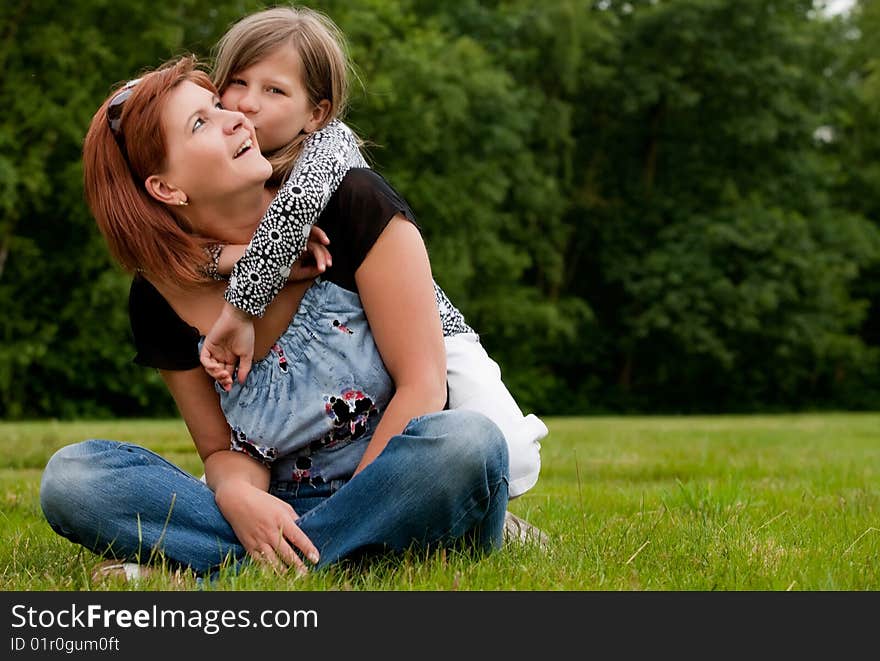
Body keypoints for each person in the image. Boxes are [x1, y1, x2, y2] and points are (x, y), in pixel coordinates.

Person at [39, 56, 509, 578]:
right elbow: (222, 451)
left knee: (470, 445)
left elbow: (422, 388)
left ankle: (227, 574)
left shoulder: (352, 203)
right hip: (278, 508)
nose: (237, 117)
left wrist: (366, 507)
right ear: (166, 189)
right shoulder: (158, 297)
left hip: (402, 483)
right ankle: (342, 562)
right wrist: (239, 497)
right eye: (201, 123)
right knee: (74, 477)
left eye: (217, 105)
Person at [198, 6, 548, 501]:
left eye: (274, 90)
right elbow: (171, 250)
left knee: (507, 452)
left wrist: (239, 309)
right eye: (237, 82)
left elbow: (290, 219)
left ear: (316, 113)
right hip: (339, 358)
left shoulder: (327, 150)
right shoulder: (231, 169)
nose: (249, 103)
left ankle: (476, 513)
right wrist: (221, 257)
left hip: (427, 331)